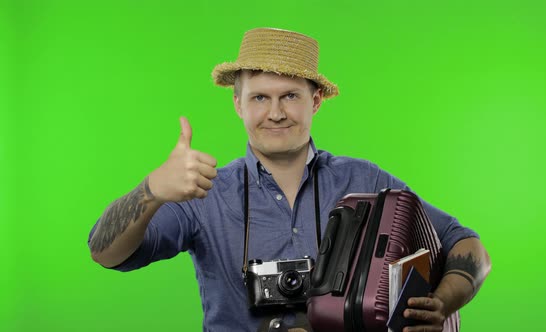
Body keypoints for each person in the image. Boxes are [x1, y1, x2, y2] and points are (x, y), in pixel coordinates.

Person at [88, 27, 491, 332]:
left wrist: (442, 301)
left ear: (315, 100)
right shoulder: (203, 192)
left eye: (290, 96)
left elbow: (466, 243)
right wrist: (151, 190)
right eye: (260, 97)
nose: (276, 113)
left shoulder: (364, 178)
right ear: (237, 104)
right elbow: (106, 253)